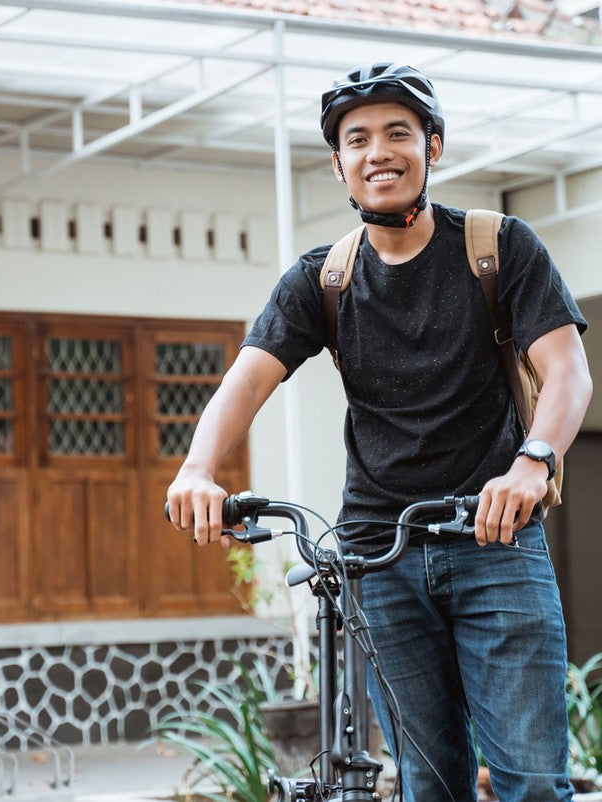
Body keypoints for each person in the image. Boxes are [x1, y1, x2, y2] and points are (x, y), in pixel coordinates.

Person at [166, 62, 593, 801]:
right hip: (378, 553)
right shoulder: (321, 281)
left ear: (433, 147)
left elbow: (568, 373)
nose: (378, 152)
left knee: (531, 782)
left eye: (399, 133)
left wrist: (533, 462)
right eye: (356, 139)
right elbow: (247, 377)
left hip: (495, 541)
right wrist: (198, 468)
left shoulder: (498, 248)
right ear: (338, 166)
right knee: (428, 784)